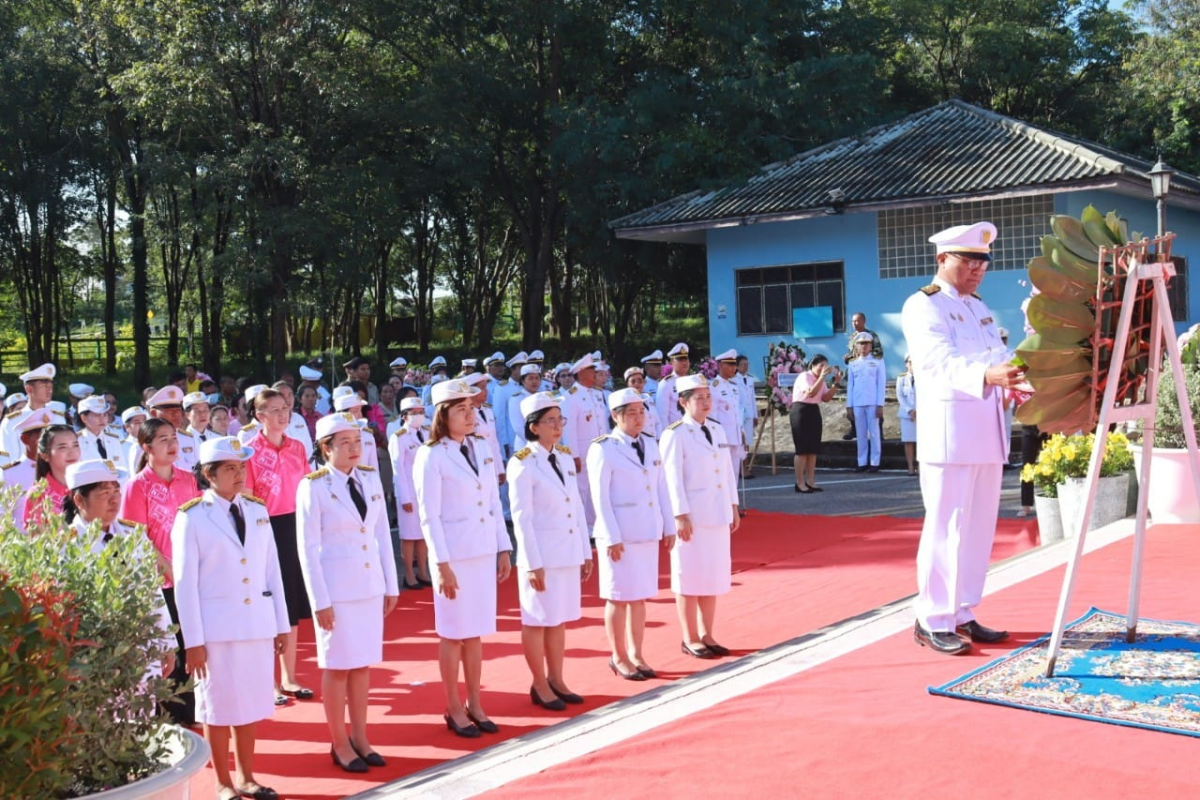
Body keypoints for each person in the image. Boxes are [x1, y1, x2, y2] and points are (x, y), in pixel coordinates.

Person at [901, 220, 1018, 656]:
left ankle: (963, 611)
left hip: (986, 431)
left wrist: (1017, 378)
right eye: (969, 259)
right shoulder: (923, 305)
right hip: (950, 436)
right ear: (942, 259)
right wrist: (988, 375)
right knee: (946, 527)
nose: (978, 268)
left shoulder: (978, 307)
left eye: (983, 260)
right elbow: (936, 363)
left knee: (977, 529)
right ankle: (932, 618)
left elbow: (999, 356)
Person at [172, 437, 290, 800]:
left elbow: (272, 571)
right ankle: (222, 781)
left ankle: (247, 776)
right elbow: (184, 584)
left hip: (254, 622)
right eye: (229, 469)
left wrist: (281, 624)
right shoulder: (191, 517)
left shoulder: (256, 510)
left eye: (241, 467)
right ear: (209, 474)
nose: (239, 475)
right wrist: (193, 642)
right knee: (217, 706)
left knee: (249, 704)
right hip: (216, 630)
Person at [297, 415, 399, 772]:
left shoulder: (369, 478)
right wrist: (319, 601)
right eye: (346, 443)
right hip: (336, 591)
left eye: (358, 441)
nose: (355, 449)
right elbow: (307, 549)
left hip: (368, 584)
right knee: (338, 666)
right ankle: (339, 742)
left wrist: (391, 583)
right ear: (326, 448)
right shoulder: (313, 486)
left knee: (361, 665)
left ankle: (361, 736)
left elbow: (382, 533)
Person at [413, 378, 512, 738]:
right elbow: (430, 514)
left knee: (476, 634)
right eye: (461, 410)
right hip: (454, 556)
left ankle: (475, 701)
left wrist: (503, 547)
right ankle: (453, 706)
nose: (470, 415)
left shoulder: (481, 447)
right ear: (443, 414)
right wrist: (440, 564)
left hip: (482, 549)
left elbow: (491, 503)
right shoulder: (431, 455)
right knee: (453, 633)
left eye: (471, 409)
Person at [508, 392, 593, 711]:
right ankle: (539, 682)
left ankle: (557, 678)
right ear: (533, 428)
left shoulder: (564, 457)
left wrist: (585, 550)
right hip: (541, 553)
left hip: (566, 549)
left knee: (557, 619)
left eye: (560, 420)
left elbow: (576, 506)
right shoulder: (522, 463)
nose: (558, 427)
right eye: (551, 421)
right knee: (536, 619)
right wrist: (530, 563)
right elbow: (522, 518)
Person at [588, 388, 675, 681]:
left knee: (639, 597)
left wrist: (669, 525)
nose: (640, 418)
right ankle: (619, 656)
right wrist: (611, 536)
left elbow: (661, 487)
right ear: (615, 416)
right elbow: (599, 497)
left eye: (642, 412)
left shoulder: (651, 444)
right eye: (632, 413)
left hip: (646, 530)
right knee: (618, 597)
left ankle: (637, 653)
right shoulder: (603, 448)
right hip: (620, 535)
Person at [121, 417, 202, 724]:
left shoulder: (188, 479)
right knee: (169, 647)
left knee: (191, 641)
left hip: (190, 575)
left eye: (174, 438)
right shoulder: (136, 486)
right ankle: (167, 715)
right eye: (163, 440)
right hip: (160, 582)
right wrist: (169, 568)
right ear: (146, 447)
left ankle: (191, 709)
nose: (172, 445)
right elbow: (137, 537)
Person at [242, 388, 315, 705]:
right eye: (273, 409)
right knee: (267, 600)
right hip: (264, 528)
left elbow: (308, 489)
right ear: (259, 416)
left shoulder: (297, 447)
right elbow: (245, 498)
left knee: (291, 602)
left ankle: (289, 675)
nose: (282, 414)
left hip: (294, 526)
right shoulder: (248, 451)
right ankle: (266, 680)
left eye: (285, 407)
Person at [660, 375, 740, 659]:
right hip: (692, 516)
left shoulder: (716, 429)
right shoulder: (675, 433)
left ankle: (707, 633)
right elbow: (671, 478)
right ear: (683, 402)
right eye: (699, 398)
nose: (707, 403)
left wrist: (732, 504)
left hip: (716, 512)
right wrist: (679, 515)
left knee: (712, 576)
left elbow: (727, 470)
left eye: (708, 397)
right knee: (689, 576)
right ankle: (690, 637)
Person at [389, 397, 432, 589]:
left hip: (425, 491)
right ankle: (408, 574)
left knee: (423, 534)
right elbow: (397, 469)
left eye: (420, 412)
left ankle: (423, 571)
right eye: (413, 413)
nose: (418, 416)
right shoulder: (399, 437)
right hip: (408, 492)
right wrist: (404, 496)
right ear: (404, 416)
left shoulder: (427, 433)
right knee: (409, 535)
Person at [562, 354, 606, 530]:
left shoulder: (596, 394)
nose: (595, 373)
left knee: (599, 488)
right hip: (583, 452)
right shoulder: (570, 397)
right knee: (582, 490)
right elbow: (569, 429)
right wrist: (573, 455)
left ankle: (595, 524)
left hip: (600, 451)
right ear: (581, 374)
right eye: (591, 370)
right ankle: (583, 528)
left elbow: (603, 425)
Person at [790, 355, 841, 493]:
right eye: (821, 365)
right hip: (800, 410)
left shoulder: (822, 380)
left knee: (813, 449)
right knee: (802, 449)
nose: (824, 369)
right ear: (813, 365)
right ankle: (799, 482)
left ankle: (810, 481)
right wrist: (821, 377)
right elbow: (811, 392)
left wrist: (836, 384)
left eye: (826, 366)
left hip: (813, 410)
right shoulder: (804, 376)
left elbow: (826, 398)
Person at [23, 424, 81, 530]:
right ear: (45, 455)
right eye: (62, 447)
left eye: (75, 445)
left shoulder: (88, 486)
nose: (72, 452)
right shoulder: (38, 494)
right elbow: (38, 540)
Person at [846, 332, 886, 472]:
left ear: (871, 346)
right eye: (861, 343)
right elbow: (850, 386)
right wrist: (849, 406)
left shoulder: (878, 362)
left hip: (873, 401)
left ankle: (875, 462)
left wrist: (880, 404)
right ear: (856, 346)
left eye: (866, 343)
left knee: (874, 433)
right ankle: (862, 462)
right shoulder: (852, 364)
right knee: (861, 434)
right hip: (857, 402)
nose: (864, 346)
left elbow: (881, 384)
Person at [1, 362, 58, 460]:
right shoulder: (11, 422)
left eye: (50, 386)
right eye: (44, 386)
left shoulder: (58, 418)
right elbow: (11, 460)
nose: (49, 390)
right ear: (29, 389)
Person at [841, 313, 884, 441]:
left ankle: (878, 431)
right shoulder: (852, 337)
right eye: (853, 321)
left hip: (869, 371)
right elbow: (852, 354)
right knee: (852, 401)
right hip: (855, 372)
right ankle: (854, 428)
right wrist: (849, 357)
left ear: (864, 321)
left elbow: (879, 352)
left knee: (874, 403)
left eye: (857, 321)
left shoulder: (872, 335)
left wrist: (865, 355)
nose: (854, 324)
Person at [708, 350, 746, 483]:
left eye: (734, 364)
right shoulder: (714, 387)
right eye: (729, 364)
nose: (733, 368)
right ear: (720, 365)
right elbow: (712, 416)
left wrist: (741, 431)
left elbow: (737, 412)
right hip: (722, 439)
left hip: (735, 437)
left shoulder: (734, 386)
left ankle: (733, 503)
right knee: (722, 474)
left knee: (734, 474)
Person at [76, 395, 129, 480]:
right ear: (84, 418)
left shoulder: (114, 440)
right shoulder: (76, 442)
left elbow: (123, 471)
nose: (102, 419)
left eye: (105, 415)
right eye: (97, 415)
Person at [147, 386, 199, 472]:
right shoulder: (146, 443)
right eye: (170, 411)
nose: (176, 414)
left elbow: (197, 470)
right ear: (154, 413)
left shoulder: (189, 439)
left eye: (178, 410)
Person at [507, 365, 543, 452]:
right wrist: (536, 443)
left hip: (544, 444)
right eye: (530, 378)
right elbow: (518, 427)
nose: (534, 381)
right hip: (525, 446)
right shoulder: (517, 399)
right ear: (523, 381)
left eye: (537, 378)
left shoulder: (543, 396)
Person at [734, 355, 759, 478]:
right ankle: (740, 468)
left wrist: (755, 415)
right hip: (738, 415)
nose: (746, 366)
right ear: (737, 366)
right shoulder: (733, 380)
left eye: (747, 363)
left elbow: (752, 399)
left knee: (747, 442)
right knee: (740, 442)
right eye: (743, 364)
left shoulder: (750, 379)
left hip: (748, 414)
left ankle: (746, 467)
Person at [655, 343, 689, 427]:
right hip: (676, 430)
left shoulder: (691, 382)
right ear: (671, 362)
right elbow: (662, 415)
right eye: (680, 359)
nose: (684, 362)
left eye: (686, 359)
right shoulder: (666, 383)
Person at [623, 367, 661, 439]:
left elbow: (657, 421)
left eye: (640, 381)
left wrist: (658, 438)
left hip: (654, 440)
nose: (637, 384)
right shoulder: (626, 402)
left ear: (644, 382)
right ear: (627, 384)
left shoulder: (648, 398)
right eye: (633, 381)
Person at [897, 355, 918, 475]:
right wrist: (910, 410)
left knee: (922, 442)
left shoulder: (924, 377)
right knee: (908, 441)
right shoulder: (901, 378)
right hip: (906, 414)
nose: (913, 365)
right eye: (911, 362)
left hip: (922, 414)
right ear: (906, 364)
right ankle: (910, 466)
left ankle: (920, 466)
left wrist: (918, 411)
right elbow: (900, 396)